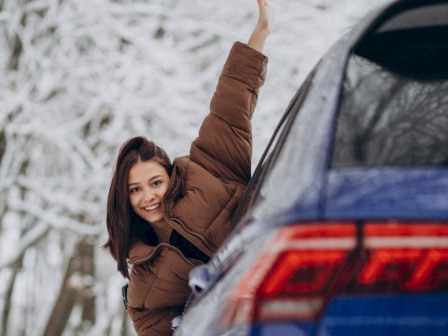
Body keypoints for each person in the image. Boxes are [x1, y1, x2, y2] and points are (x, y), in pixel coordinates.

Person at [103, 0, 274, 335]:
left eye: (155, 182)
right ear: (123, 200)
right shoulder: (143, 282)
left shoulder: (210, 165)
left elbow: (232, 98)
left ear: (170, 175)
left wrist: (262, 30)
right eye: (135, 190)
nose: (147, 196)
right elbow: (156, 328)